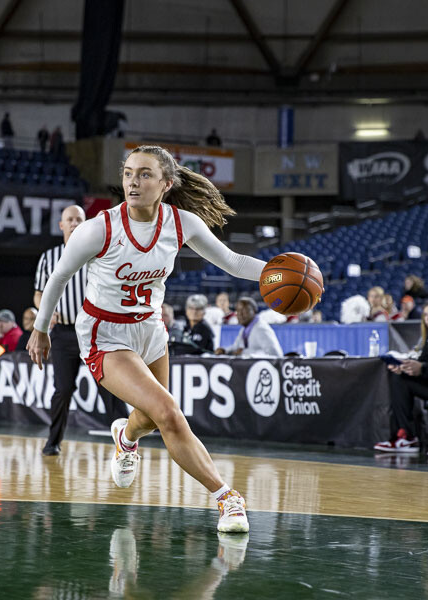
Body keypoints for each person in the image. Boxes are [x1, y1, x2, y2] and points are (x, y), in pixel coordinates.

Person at [28, 144, 264, 532]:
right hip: (105, 333)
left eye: (144, 174)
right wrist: (40, 329)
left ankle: (125, 435)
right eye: (128, 173)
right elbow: (59, 276)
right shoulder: (99, 227)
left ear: (166, 184)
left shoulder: (182, 223)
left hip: (151, 329)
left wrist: (278, 273)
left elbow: (234, 262)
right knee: (169, 413)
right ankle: (227, 497)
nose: (133, 182)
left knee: (153, 420)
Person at [34, 204, 126, 455]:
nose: (74, 223)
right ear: (61, 225)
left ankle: (126, 444)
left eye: (79, 219)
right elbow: (39, 294)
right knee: (62, 390)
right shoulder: (49, 257)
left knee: (111, 388)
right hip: (63, 333)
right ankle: (52, 442)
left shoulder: (97, 253)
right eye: (69, 220)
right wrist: (46, 312)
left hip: (97, 332)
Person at [374, 300, 428, 456]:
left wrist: (422, 368)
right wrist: (405, 367)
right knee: (399, 378)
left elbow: (425, 366)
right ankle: (406, 436)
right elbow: (423, 360)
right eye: (425, 314)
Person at [215, 297, 283, 357]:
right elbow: (236, 347)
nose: (240, 314)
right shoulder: (245, 328)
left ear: (254, 311)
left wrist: (244, 352)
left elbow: (275, 354)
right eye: (238, 311)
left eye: (244, 310)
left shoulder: (261, 329)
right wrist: (224, 351)